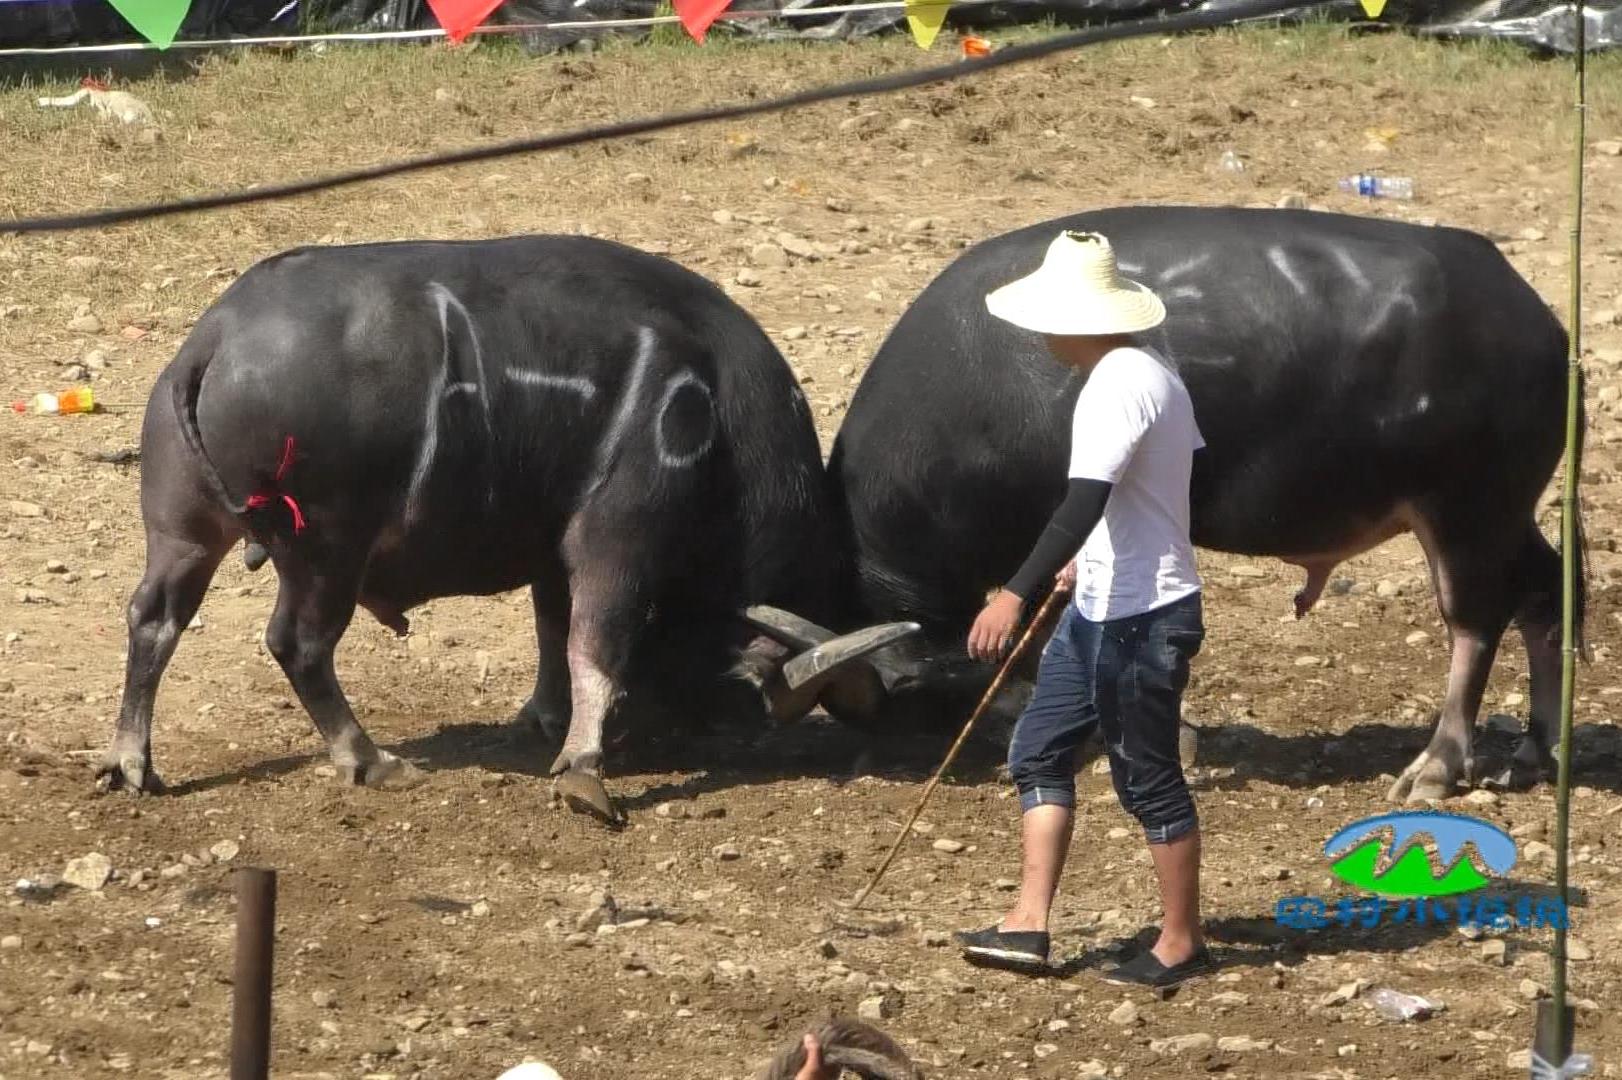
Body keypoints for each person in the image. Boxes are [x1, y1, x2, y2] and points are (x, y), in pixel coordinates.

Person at [952, 230, 1211, 989]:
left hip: (1141, 614)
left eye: (1051, 318)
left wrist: (1015, 590)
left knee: (1147, 776)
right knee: (1038, 749)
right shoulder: (1146, 372)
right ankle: (1027, 922)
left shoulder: (1115, 384)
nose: (1042, 333)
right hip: (1102, 598)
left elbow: (1084, 499)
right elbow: (1149, 486)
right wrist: (1088, 557)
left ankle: (1181, 940)